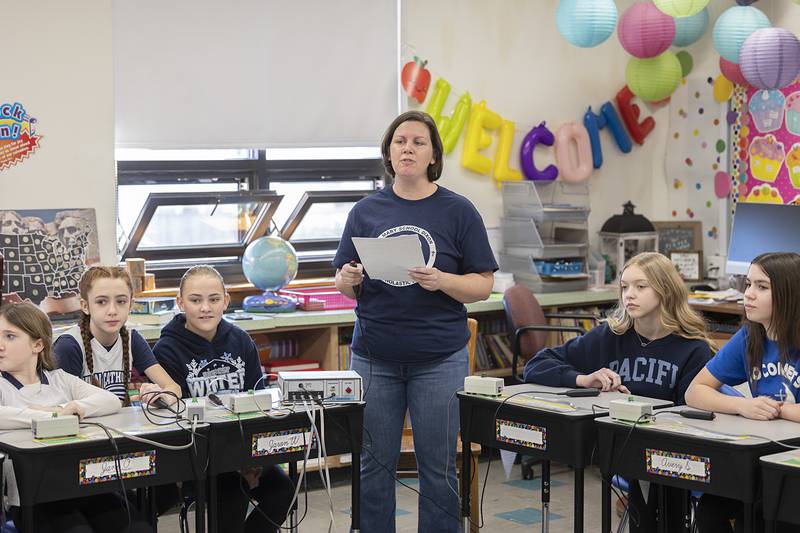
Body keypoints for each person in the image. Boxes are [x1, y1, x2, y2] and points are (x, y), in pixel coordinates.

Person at [334, 110, 497, 533]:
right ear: (388, 153)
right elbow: (344, 283)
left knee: (439, 471)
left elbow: (482, 286)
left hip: (439, 360)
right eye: (400, 141)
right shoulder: (365, 210)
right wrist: (348, 278)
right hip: (373, 358)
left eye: (418, 142)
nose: (407, 148)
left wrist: (442, 280)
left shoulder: (458, 211)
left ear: (432, 155)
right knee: (372, 468)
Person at [524, 251, 716, 532]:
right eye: (624, 287)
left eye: (641, 286)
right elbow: (536, 365)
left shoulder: (693, 348)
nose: (629, 295)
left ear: (665, 289)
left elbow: (691, 414)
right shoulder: (610, 335)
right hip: (618, 447)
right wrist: (583, 379)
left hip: (668, 454)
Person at [153, 265, 293, 533]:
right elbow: (176, 419)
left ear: (226, 301)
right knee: (232, 496)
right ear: (180, 302)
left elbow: (259, 399)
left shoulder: (240, 340)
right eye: (195, 300)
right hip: (200, 460)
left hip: (245, 450)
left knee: (282, 492)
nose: (205, 307)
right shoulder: (166, 350)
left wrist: (254, 460)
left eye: (214, 299)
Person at [0, 302, 151, 533]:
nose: (0, 345)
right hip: (37, 496)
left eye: (10, 336)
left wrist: (73, 408)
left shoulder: (60, 379)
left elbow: (110, 400)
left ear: (38, 344)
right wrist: (50, 415)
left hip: (83, 485)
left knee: (138, 527)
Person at [686, 251, 800, 533]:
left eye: (762, 287)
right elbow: (695, 391)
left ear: (789, 294)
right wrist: (742, 406)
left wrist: (776, 410)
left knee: (772, 516)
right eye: (748, 284)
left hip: (792, 466)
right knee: (711, 509)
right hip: (763, 456)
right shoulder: (751, 336)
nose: (748, 294)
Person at [54, 266, 181, 406]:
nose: (112, 311)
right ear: (85, 306)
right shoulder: (69, 346)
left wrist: (160, 397)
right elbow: (62, 407)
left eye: (121, 301)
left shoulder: (133, 339)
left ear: (130, 305)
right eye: (101, 302)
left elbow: (173, 388)